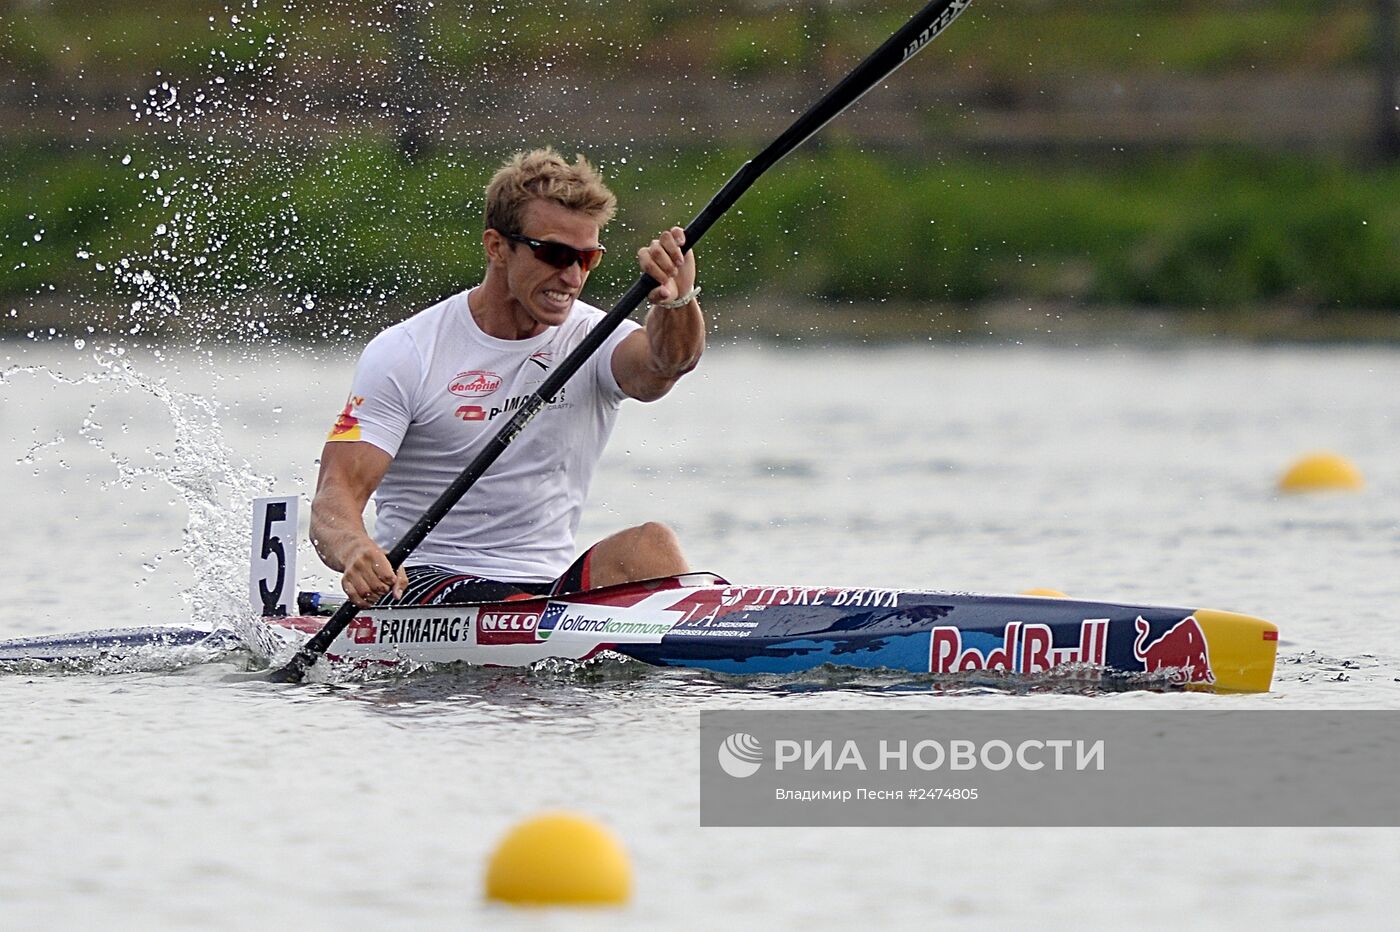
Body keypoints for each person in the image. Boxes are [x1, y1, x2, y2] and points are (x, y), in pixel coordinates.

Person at [310, 147, 704, 607]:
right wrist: (357, 549)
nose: (572, 276)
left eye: (587, 258)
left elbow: (664, 366)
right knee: (514, 604)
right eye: (556, 254)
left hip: (543, 590)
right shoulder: (407, 352)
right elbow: (333, 498)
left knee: (651, 545)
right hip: (423, 582)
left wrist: (676, 302)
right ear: (497, 246)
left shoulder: (594, 338)